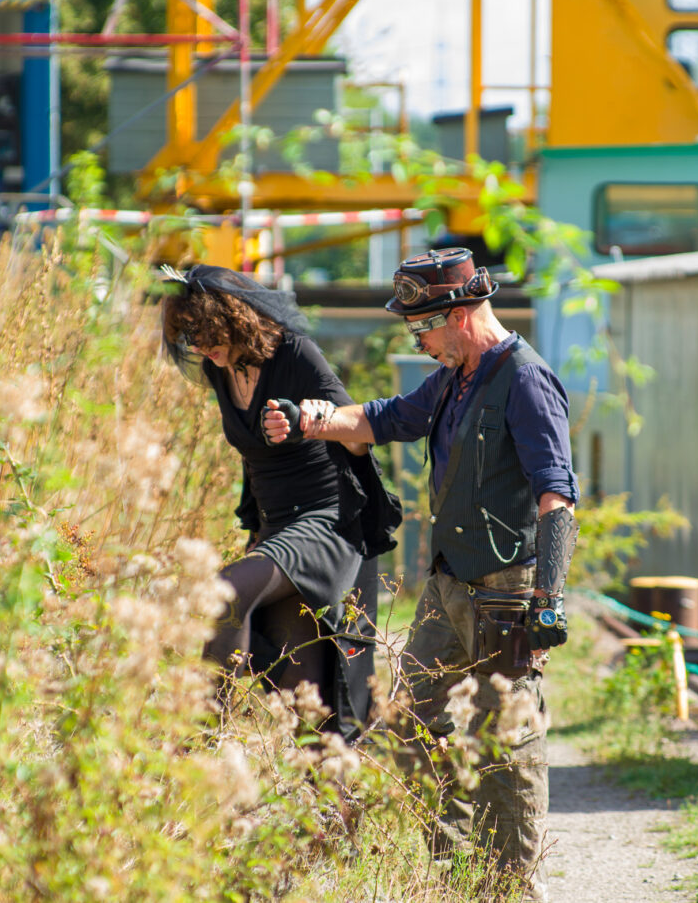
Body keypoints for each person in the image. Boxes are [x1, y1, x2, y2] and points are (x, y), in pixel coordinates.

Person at [262, 247, 578, 901]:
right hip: (447, 586)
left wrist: (549, 596)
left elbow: (557, 496)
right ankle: (455, 866)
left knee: (507, 737)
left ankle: (512, 884)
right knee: (408, 721)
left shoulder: (525, 379)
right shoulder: (455, 379)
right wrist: (306, 420)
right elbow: (383, 419)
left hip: (507, 593)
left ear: (459, 314)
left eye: (423, 328)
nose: (420, 340)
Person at [159, 264, 401, 742]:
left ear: (235, 318)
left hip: (326, 521)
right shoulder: (219, 368)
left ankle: (202, 744)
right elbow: (255, 461)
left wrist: (315, 419)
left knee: (225, 591)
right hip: (277, 527)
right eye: (192, 336)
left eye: (208, 332)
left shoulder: (295, 353)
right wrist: (257, 532)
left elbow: (361, 436)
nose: (203, 346)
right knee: (303, 697)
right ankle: (330, 812)